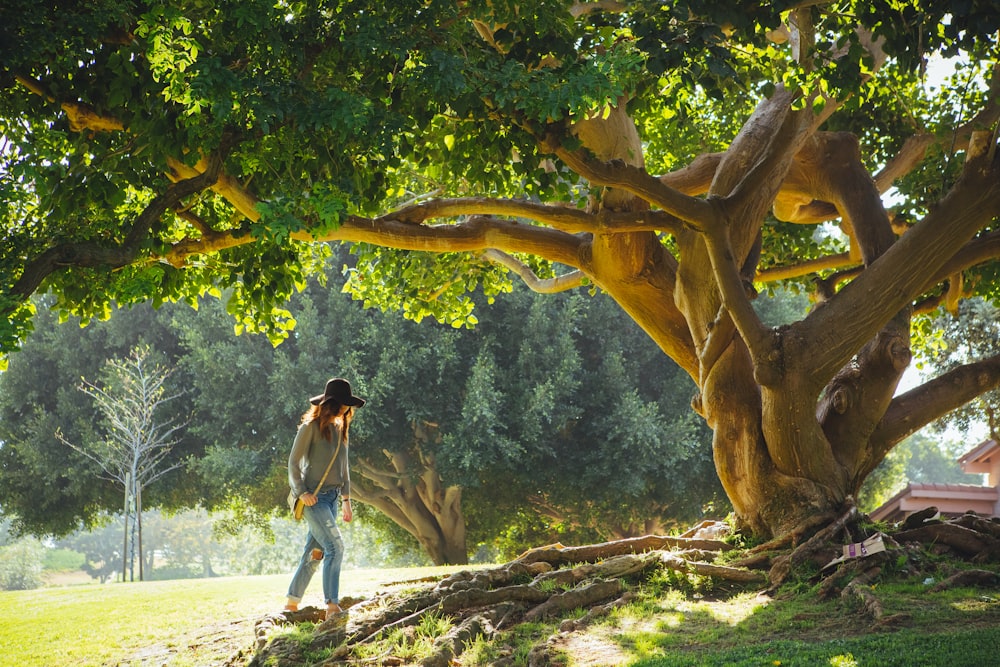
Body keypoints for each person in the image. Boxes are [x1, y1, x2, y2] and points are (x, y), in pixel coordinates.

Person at [284, 377, 365, 620]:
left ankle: (291, 602)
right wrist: (302, 492)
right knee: (335, 546)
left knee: (315, 552)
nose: (347, 410)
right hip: (313, 499)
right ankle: (332, 605)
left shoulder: (341, 430)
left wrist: (347, 501)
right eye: (344, 405)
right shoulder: (310, 427)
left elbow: (344, 468)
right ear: (334, 403)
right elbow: (293, 463)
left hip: (331, 499)